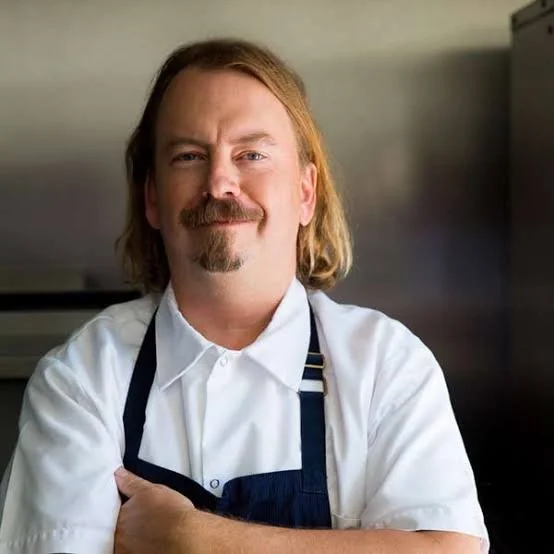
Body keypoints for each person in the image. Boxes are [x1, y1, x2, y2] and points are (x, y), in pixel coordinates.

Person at [0, 38, 488, 554]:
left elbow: (447, 549)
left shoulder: (385, 366)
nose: (219, 182)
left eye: (251, 154)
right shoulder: (81, 378)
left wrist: (193, 538)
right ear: (152, 198)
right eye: (189, 156)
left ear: (305, 192)